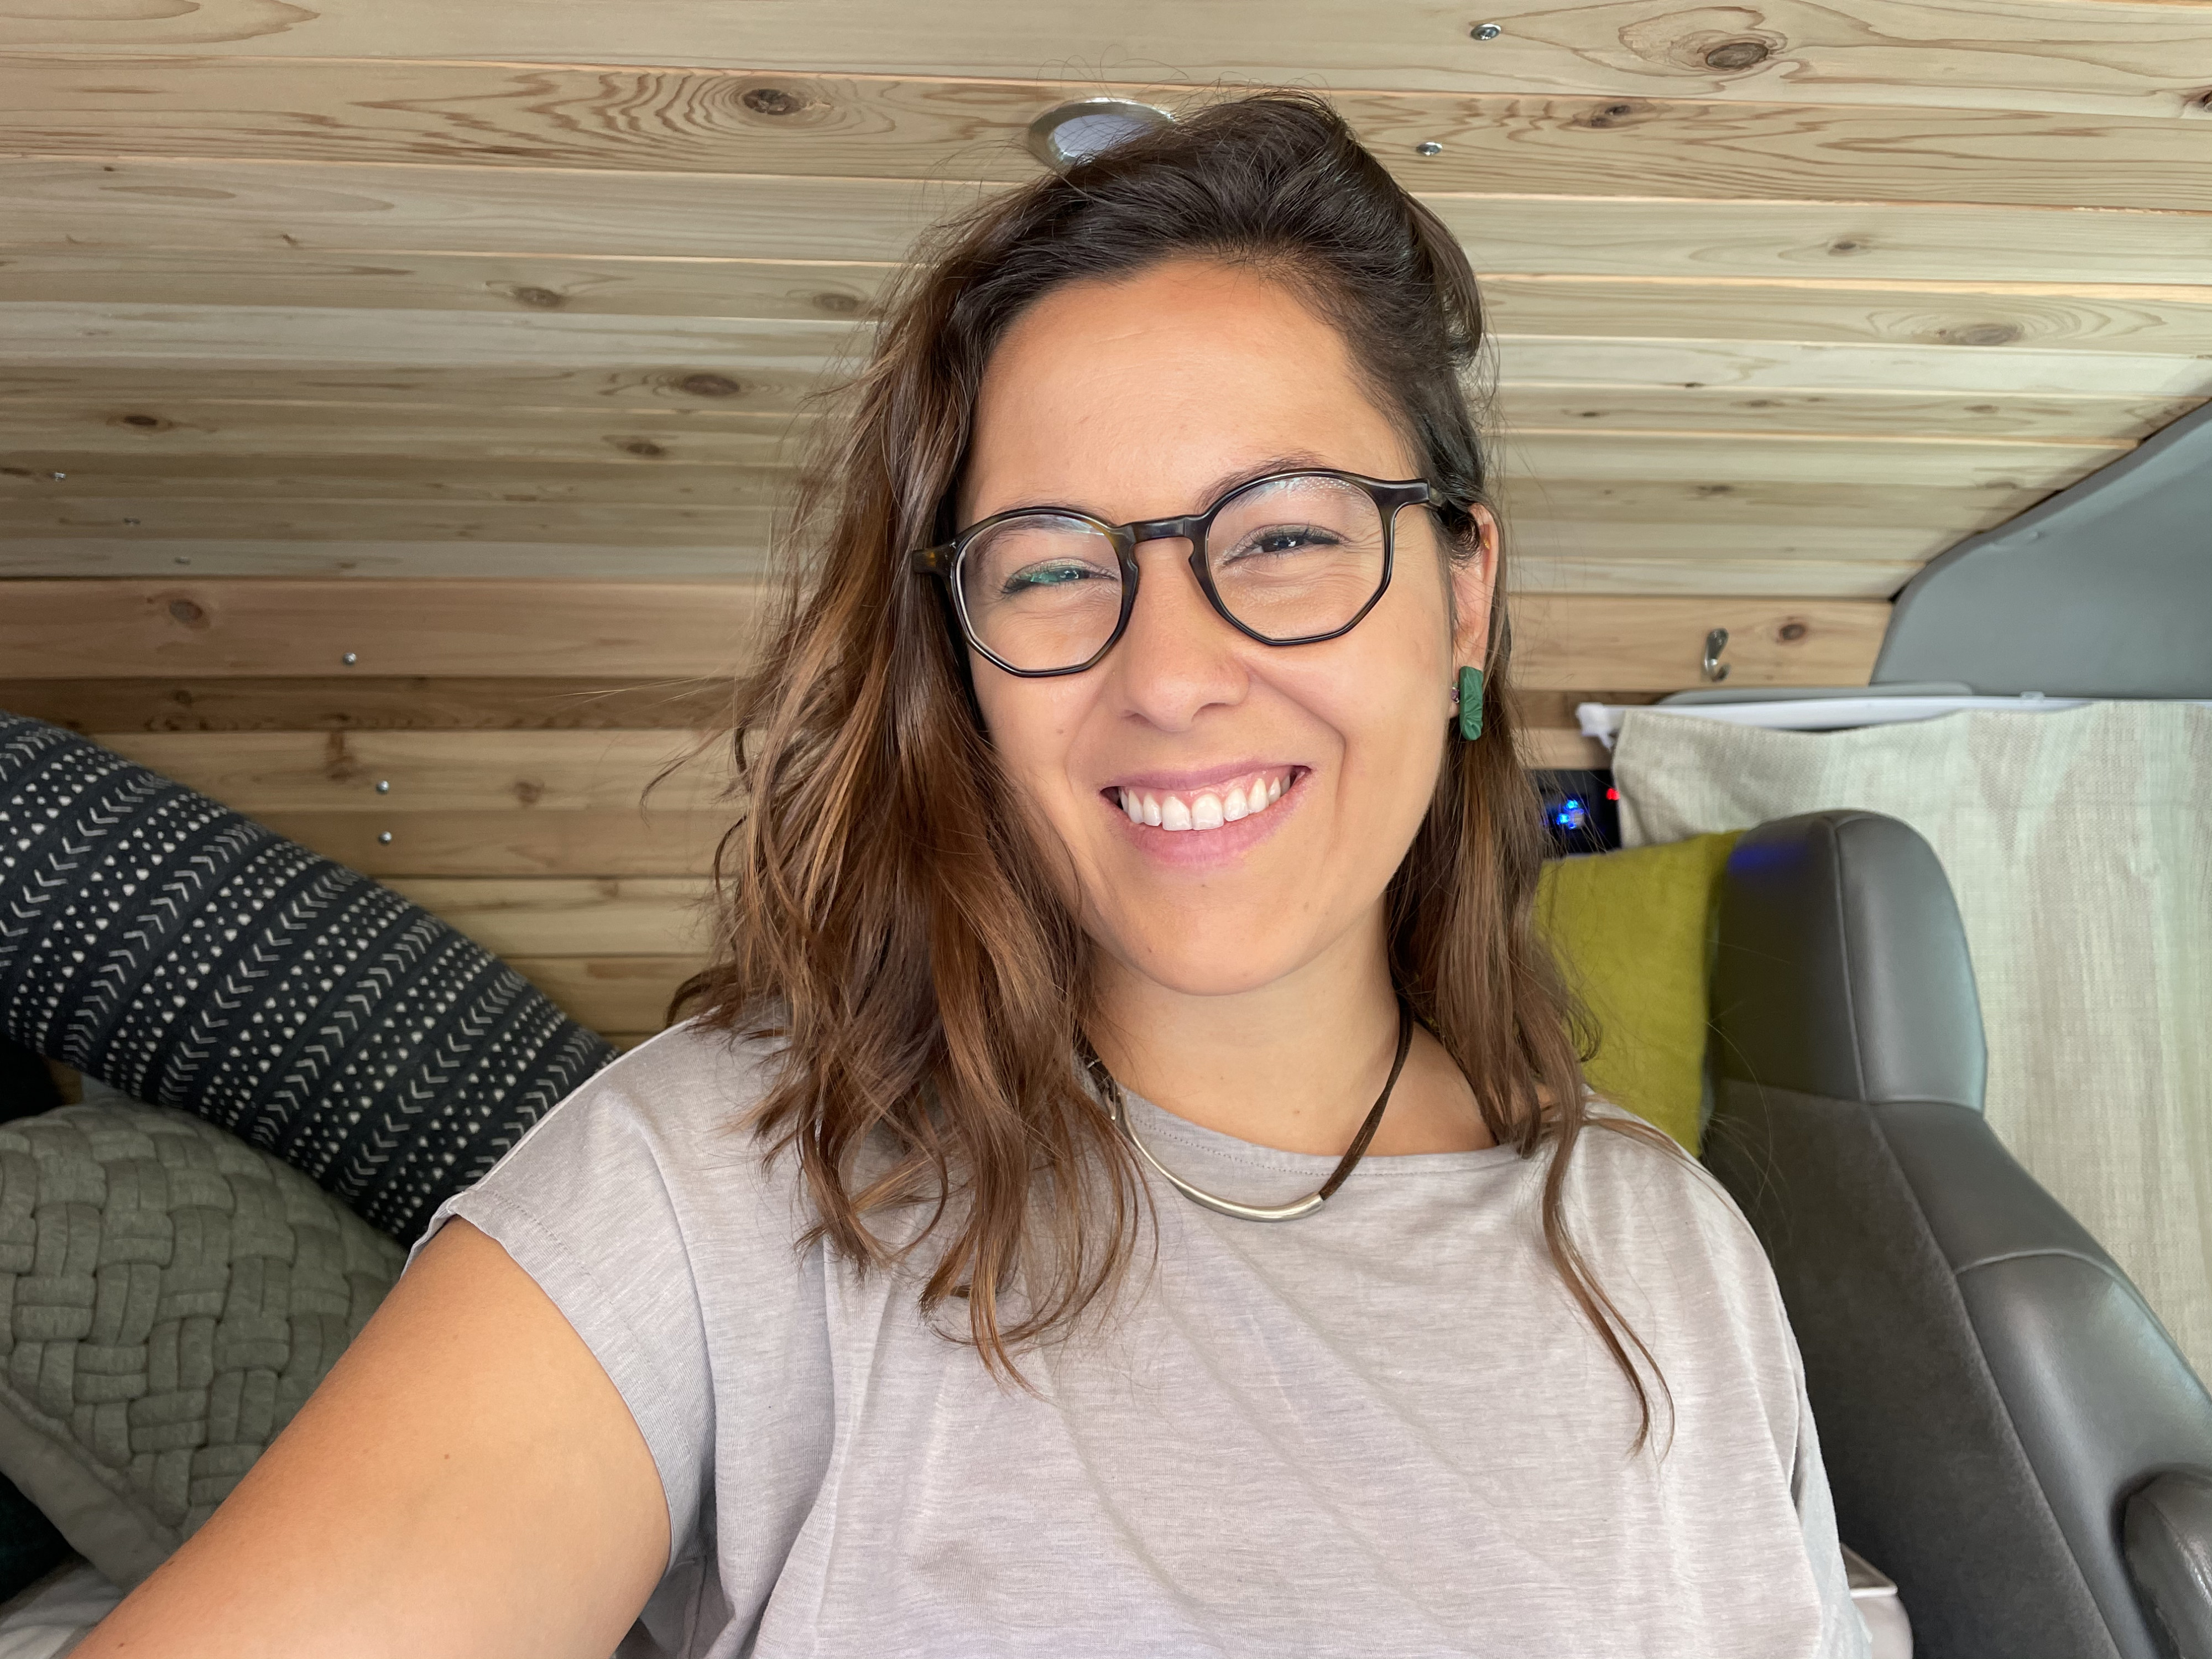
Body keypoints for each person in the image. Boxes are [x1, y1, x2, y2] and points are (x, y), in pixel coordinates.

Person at [78, 93, 1865, 1658]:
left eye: (1285, 536)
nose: (1170, 674)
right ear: (964, 664)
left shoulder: (1670, 1255)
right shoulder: (727, 1189)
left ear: (1462, 597)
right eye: (1052, 567)